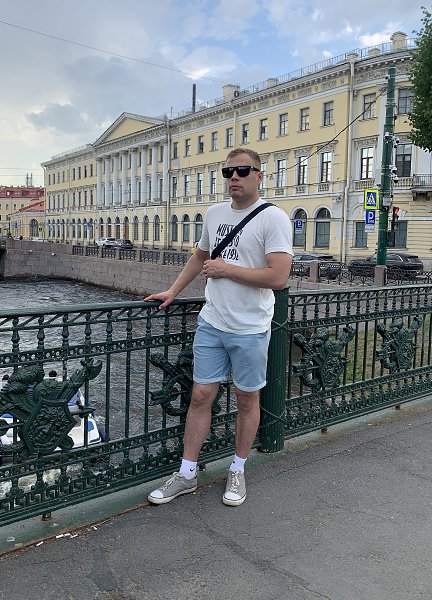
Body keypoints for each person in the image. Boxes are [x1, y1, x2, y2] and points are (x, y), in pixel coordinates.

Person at [145, 148, 293, 507]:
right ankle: (187, 474)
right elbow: (200, 256)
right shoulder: (214, 214)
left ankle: (238, 469)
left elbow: (278, 277)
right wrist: (174, 290)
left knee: (246, 399)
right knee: (200, 396)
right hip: (212, 322)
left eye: (242, 170)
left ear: (259, 175)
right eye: (228, 172)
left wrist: (227, 270)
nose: (234, 177)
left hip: (250, 327)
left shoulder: (273, 218)